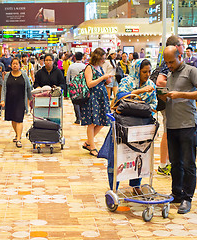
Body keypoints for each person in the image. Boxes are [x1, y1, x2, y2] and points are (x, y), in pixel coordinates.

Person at [160, 46, 197, 214]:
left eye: (172, 61)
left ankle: (187, 197)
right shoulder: (170, 74)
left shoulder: (191, 71)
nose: (169, 65)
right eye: (167, 62)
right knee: (175, 163)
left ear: (180, 56)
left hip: (188, 125)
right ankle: (177, 193)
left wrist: (181, 95)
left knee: (188, 164)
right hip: (172, 126)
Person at [107, 59, 157, 192]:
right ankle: (114, 188)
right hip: (124, 124)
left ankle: (136, 185)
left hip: (142, 125)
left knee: (139, 154)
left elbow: (153, 104)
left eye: (149, 72)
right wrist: (140, 92)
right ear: (137, 71)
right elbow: (120, 97)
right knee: (117, 155)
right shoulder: (127, 81)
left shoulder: (151, 84)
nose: (147, 74)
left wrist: (138, 104)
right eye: (144, 72)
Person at [156, 35, 185, 176]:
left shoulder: (173, 61)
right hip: (168, 102)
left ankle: (167, 162)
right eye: (182, 44)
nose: (184, 47)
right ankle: (163, 165)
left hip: (172, 102)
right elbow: (160, 81)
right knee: (167, 132)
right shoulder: (167, 62)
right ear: (176, 46)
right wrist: (177, 86)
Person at [80, 48, 112, 157]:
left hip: (101, 97)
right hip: (92, 97)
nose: (104, 60)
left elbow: (103, 82)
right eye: (103, 58)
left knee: (102, 121)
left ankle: (89, 142)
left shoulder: (100, 68)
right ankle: (92, 147)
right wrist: (103, 77)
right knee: (92, 122)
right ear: (97, 58)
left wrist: (107, 79)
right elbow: (89, 83)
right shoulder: (89, 68)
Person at [0, 58, 32, 148]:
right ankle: (17, 134)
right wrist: (2, 100)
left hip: (21, 100)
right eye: (13, 64)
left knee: (19, 119)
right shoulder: (7, 76)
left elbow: (29, 88)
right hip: (10, 101)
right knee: (13, 119)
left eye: (16, 64)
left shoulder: (24, 75)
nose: (15, 65)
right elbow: (4, 88)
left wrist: (31, 99)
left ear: (19, 65)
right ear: (11, 65)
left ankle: (18, 139)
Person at [66, 52, 86, 124]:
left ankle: (78, 118)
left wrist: (69, 86)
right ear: (82, 57)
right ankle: (83, 117)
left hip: (74, 86)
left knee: (75, 102)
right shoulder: (84, 66)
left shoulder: (71, 66)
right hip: (82, 86)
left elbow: (67, 78)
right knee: (83, 101)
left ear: (75, 57)